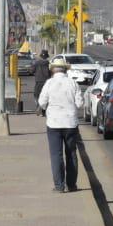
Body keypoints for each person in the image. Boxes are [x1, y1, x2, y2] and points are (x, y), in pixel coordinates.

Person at [37, 58, 85, 192]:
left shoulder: (49, 83)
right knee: (71, 154)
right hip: (70, 123)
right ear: (65, 69)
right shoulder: (73, 83)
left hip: (53, 124)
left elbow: (42, 102)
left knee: (56, 155)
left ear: (53, 70)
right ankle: (72, 185)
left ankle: (59, 186)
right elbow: (80, 103)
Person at [31, 49, 52, 114]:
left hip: (38, 81)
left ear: (40, 56)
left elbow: (32, 71)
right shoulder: (48, 63)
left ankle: (38, 106)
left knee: (36, 95)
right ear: (46, 56)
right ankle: (43, 110)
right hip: (47, 82)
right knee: (46, 96)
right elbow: (51, 72)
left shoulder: (36, 63)